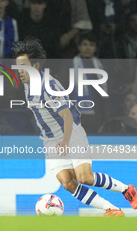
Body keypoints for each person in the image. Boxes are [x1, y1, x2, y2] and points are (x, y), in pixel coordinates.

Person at [12, 37, 137, 217]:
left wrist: (65, 140)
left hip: (69, 134)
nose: (19, 71)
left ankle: (127, 190)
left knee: (84, 177)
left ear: (36, 67)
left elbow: (67, 116)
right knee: (67, 182)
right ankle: (111, 209)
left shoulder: (48, 86)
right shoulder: (27, 84)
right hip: (50, 139)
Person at [70, 32, 108, 133]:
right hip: (77, 115)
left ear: (95, 48)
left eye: (91, 45)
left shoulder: (101, 66)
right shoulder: (70, 65)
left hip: (97, 115)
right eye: (84, 44)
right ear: (79, 47)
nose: (88, 48)